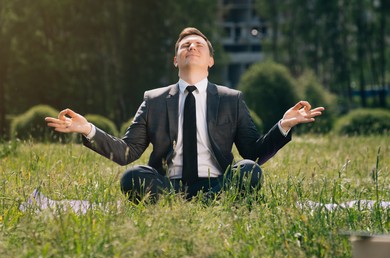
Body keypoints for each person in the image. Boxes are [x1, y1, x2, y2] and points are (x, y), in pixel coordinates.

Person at [45, 27, 324, 202]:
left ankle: (223, 200)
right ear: (176, 60)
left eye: (199, 45)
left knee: (248, 170)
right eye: (184, 46)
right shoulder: (153, 100)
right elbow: (126, 152)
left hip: (219, 186)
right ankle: (170, 202)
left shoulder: (231, 99)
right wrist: (88, 130)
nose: (192, 47)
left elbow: (254, 152)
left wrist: (283, 126)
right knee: (133, 177)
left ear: (211, 61)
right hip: (168, 186)